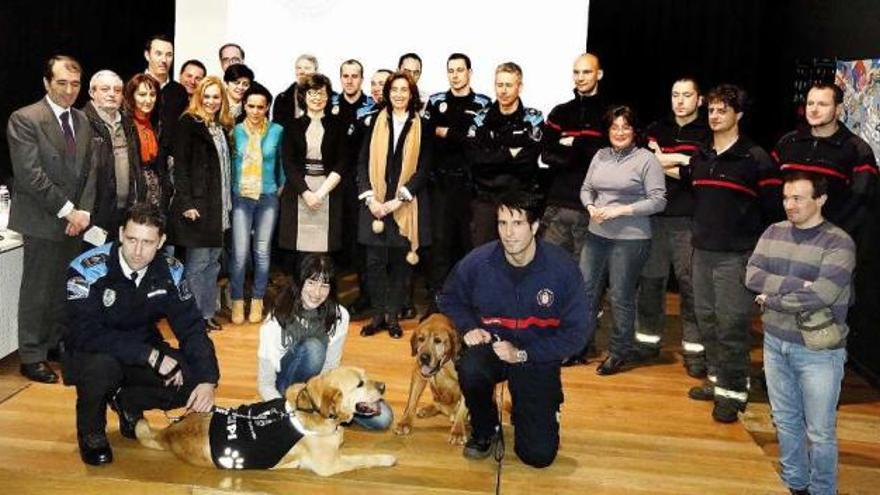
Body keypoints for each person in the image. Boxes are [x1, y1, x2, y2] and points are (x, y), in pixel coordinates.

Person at [439, 190, 589, 468]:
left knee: (538, 456)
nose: (508, 233)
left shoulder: (562, 269)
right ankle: (486, 428)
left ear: (534, 227)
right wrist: (469, 326)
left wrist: (523, 354)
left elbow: (577, 335)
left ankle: (535, 410)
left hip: (536, 357)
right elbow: (449, 297)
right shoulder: (478, 262)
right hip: (493, 346)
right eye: (502, 224)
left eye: (517, 224)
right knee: (470, 367)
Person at [63, 203, 219, 465]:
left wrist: (208, 379)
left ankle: (127, 403)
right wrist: (149, 355)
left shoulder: (170, 270)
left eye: (147, 242)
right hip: (92, 352)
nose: (137, 250)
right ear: (121, 233)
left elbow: (191, 327)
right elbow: (83, 332)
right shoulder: (86, 268)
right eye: (132, 239)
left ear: (161, 242)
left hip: (142, 349)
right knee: (102, 368)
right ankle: (91, 431)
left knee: (190, 381)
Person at [746, 172, 854, 495]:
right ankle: (795, 483)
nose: (789, 205)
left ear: (820, 200)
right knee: (785, 420)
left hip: (819, 352)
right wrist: (797, 286)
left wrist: (774, 299)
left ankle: (823, 490)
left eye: (798, 198)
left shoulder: (839, 242)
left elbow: (823, 293)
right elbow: (752, 275)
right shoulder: (773, 231)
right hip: (775, 343)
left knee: (820, 431)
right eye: (785, 198)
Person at [681, 84, 782, 423]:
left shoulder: (756, 158)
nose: (714, 115)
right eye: (710, 109)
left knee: (731, 326)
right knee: (706, 321)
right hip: (701, 252)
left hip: (736, 257)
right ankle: (717, 382)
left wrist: (758, 255)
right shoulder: (701, 155)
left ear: (738, 114)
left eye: (722, 110)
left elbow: (772, 213)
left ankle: (734, 393)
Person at [7, 54, 95, 383]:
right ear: (47, 83)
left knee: (64, 287)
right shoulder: (25, 119)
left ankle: (54, 342)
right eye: (62, 83)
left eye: (75, 84)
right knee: (37, 291)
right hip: (43, 219)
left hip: (75, 221)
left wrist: (83, 211)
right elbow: (31, 175)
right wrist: (67, 210)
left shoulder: (83, 121)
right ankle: (31, 355)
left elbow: (90, 173)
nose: (69, 90)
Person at [256, 254, 392, 430]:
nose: (317, 292)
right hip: (284, 391)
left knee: (383, 418)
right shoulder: (275, 320)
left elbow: (330, 370)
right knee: (314, 348)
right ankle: (302, 409)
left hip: (319, 391)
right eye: (311, 283)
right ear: (299, 282)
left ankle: (313, 411)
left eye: (324, 285)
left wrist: (330, 405)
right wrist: (286, 412)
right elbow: (265, 383)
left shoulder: (340, 316)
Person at [580, 105, 666, 375]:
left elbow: (658, 200)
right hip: (597, 234)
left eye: (625, 127)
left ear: (634, 131)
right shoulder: (600, 155)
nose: (619, 132)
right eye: (614, 127)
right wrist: (591, 207)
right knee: (585, 293)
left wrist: (621, 210)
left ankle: (619, 351)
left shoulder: (646, 159)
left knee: (620, 296)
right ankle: (581, 345)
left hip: (630, 238)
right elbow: (586, 188)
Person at [634, 77, 711, 377]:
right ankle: (647, 342)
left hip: (688, 220)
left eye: (687, 95)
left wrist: (663, 160)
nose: (680, 101)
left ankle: (695, 350)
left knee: (691, 286)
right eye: (675, 94)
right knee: (650, 283)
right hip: (654, 219)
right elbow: (643, 169)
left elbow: (700, 174)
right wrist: (679, 163)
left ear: (699, 99)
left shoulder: (708, 133)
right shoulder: (656, 129)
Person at [356, 72, 431, 339]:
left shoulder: (423, 125)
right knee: (374, 264)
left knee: (400, 264)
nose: (399, 94)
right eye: (394, 89)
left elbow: (424, 169)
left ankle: (392, 317)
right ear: (387, 93)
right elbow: (362, 161)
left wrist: (399, 199)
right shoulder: (373, 121)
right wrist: (370, 198)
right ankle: (377, 316)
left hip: (403, 205)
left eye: (404, 90)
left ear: (412, 94)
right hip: (374, 205)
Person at [422, 53, 491, 314]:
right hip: (440, 184)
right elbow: (428, 135)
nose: (455, 75)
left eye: (460, 70)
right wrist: (460, 134)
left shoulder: (483, 103)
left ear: (469, 73)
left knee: (468, 247)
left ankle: (467, 305)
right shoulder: (436, 101)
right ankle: (437, 304)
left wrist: (448, 132)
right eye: (451, 70)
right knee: (440, 246)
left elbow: (478, 140)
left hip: (470, 187)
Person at [772, 83, 877, 239]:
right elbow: (770, 192)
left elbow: (861, 203)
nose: (814, 109)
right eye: (810, 103)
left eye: (822, 104)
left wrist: (832, 235)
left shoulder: (857, 150)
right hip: (784, 237)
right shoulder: (787, 143)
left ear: (838, 109)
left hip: (830, 242)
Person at [170, 76, 234, 332]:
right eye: (206, 96)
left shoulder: (220, 127)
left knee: (212, 264)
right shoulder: (188, 123)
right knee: (197, 265)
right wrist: (186, 202)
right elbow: (181, 166)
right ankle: (193, 318)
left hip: (219, 205)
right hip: (197, 205)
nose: (211, 101)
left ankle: (207, 313)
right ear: (198, 97)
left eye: (215, 97)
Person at [466, 62, 544, 247]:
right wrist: (509, 153)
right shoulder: (480, 119)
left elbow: (527, 160)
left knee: (518, 256)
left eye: (509, 85)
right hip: (485, 200)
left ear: (520, 86)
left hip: (519, 198)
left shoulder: (533, 118)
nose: (503, 90)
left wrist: (493, 152)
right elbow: (475, 159)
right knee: (483, 256)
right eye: (499, 85)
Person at [540, 53, 606, 261]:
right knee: (549, 270)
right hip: (557, 203)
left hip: (592, 207)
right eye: (576, 72)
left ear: (599, 74)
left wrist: (573, 144)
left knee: (586, 278)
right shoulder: (560, 112)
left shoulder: (608, 114)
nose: (580, 77)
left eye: (586, 72)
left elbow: (606, 156)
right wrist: (581, 152)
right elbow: (546, 154)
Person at [277, 74, 347, 268]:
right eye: (312, 93)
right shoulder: (291, 126)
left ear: (328, 96)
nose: (317, 98)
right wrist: (307, 194)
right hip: (299, 192)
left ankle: (326, 297)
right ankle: (299, 296)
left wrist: (321, 193)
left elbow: (342, 162)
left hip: (329, 191)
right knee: (298, 254)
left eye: (322, 93)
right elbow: (288, 163)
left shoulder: (338, 125)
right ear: (303, 96)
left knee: (327, 254)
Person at [229, 82, 285, 325]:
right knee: (240, 253)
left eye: (260, 107)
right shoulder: (234, 131)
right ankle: (237, 300)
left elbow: (282, 166)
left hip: (268, 196)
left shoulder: (277, 131)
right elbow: (231, 167)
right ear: (244, 105)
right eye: (250, 106)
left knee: (262, 252)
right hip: (241, 197)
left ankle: (258, 300)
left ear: (267, 108)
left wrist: (276, 190)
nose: (254, 111)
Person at [83, 70, 144, 232]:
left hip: (126, 211)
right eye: (105, 89)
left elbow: (136, 166)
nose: (112, 94)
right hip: (94, 214)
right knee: (93, 256)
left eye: (117, 91)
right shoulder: (81, 122)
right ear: (91, 93)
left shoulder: (128, 123)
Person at [123, 74, 165, 211]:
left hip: (154, 189)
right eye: (142, 94)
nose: (148, 100)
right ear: (131, 96)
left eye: (152, 94)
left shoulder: (155, 122)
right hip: (134, 191)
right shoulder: (124, 123)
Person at [143, 34, 188, 149]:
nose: (164, 60)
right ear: (147, 55)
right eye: (158, 54)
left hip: (169, 160)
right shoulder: (134, 86)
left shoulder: (180, 91)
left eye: (169, 55)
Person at [273, 54, 318, 128]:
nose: (301, 71)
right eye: (298, 68)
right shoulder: (282, 99)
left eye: (307, 68)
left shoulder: (329, 97)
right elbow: (278, 129)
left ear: (316, 71)